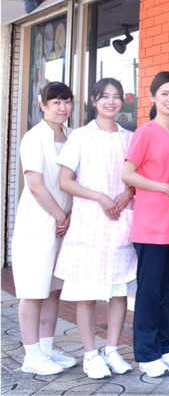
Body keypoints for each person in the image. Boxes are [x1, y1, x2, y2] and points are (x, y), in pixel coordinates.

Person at [55, 78, 136, 379]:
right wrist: (100, 197)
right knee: (86, 292)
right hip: (90, 222)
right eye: (104, 97)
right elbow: (65, 181)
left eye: (116, 97)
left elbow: (134, 180)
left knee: (118, 292)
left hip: (119, 222)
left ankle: (112, 350)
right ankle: (90, 354)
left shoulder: (130, 138)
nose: (111, 102)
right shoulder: (80, 137)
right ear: (93, 101)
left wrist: (126, 195)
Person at [121, 71, 169, 378]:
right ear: (152, 98)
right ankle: (146, 353)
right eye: (165, 94)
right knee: (149, 291)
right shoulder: (145, 133)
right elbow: (128, 174)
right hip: (151, 225)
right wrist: (162, 187)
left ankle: (166, 348)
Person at [11, 81, 77, 375]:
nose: (62, 108)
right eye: (56, 103)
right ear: (43, 105)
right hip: (39, 223)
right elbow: (35, 184)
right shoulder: (33, 137)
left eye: (67, 102)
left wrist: (69, 216)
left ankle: (47, 350)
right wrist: (60, 217)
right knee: (34, 290)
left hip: (65, 223)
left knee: (53, 289)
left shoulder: (73, 136)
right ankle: (31, 355)